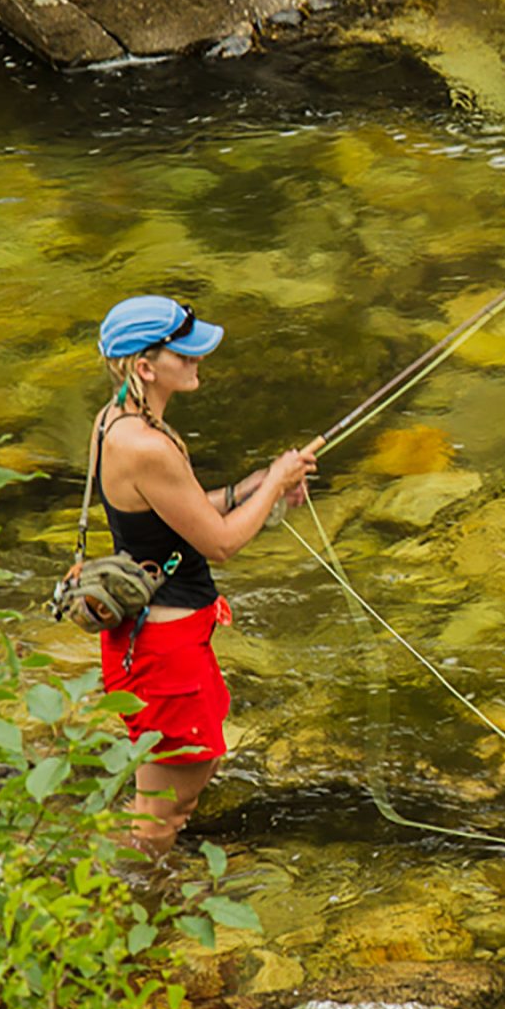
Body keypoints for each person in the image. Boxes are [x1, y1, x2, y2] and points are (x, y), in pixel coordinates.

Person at [90, 295, 318, 857]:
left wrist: (255, 485)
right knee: (165, 814)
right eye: (184, 353)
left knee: (161, 801)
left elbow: (175, 514)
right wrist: (275, 484)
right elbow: (219, 544)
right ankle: (140, 916)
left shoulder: (114, 419)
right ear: (146, 367)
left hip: (150, 639)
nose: (197, 360)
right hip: (163, 651)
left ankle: (130, 892)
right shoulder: (148, 446)